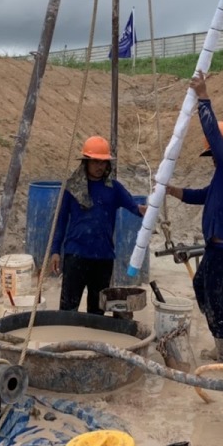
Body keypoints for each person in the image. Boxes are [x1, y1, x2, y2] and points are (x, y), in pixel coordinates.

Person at [164, 71, 223, 362]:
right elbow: (202, 195)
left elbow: (214, 136)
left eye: (213, 153)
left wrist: (203, 97)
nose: (212, 158)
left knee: (219, 300)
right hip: (219, 248)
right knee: (202, 286)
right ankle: (221, 340)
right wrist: (172, 190)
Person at [50, 135, 147, 315]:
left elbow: (135, 207)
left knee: (97, 311)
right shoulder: (72, 188)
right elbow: (60, 220)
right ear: (86, 162)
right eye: (95, 162)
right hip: (76, 255)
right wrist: (55, 251)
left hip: (103, 257)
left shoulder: (114, 188)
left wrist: (148, 210)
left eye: (103, 162)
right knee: (68, 309)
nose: (99, 166)